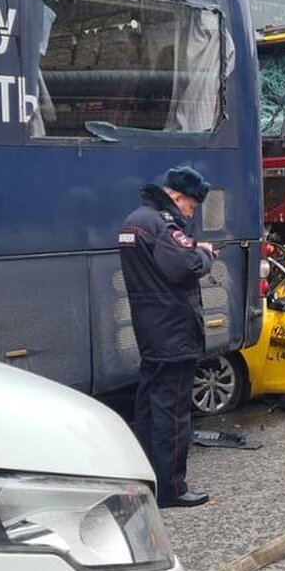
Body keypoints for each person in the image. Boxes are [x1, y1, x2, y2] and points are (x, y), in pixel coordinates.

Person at [118, 165, 216, 508]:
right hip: (174, 332)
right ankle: (173, 488)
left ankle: (146, 479)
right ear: (177, 197)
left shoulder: (134, 220)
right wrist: (204, 253)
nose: (190, 213)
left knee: (148, 409)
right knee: (173, 413)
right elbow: (185, 266)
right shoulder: (161, 224)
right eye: (191, 206)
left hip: (150, 330)